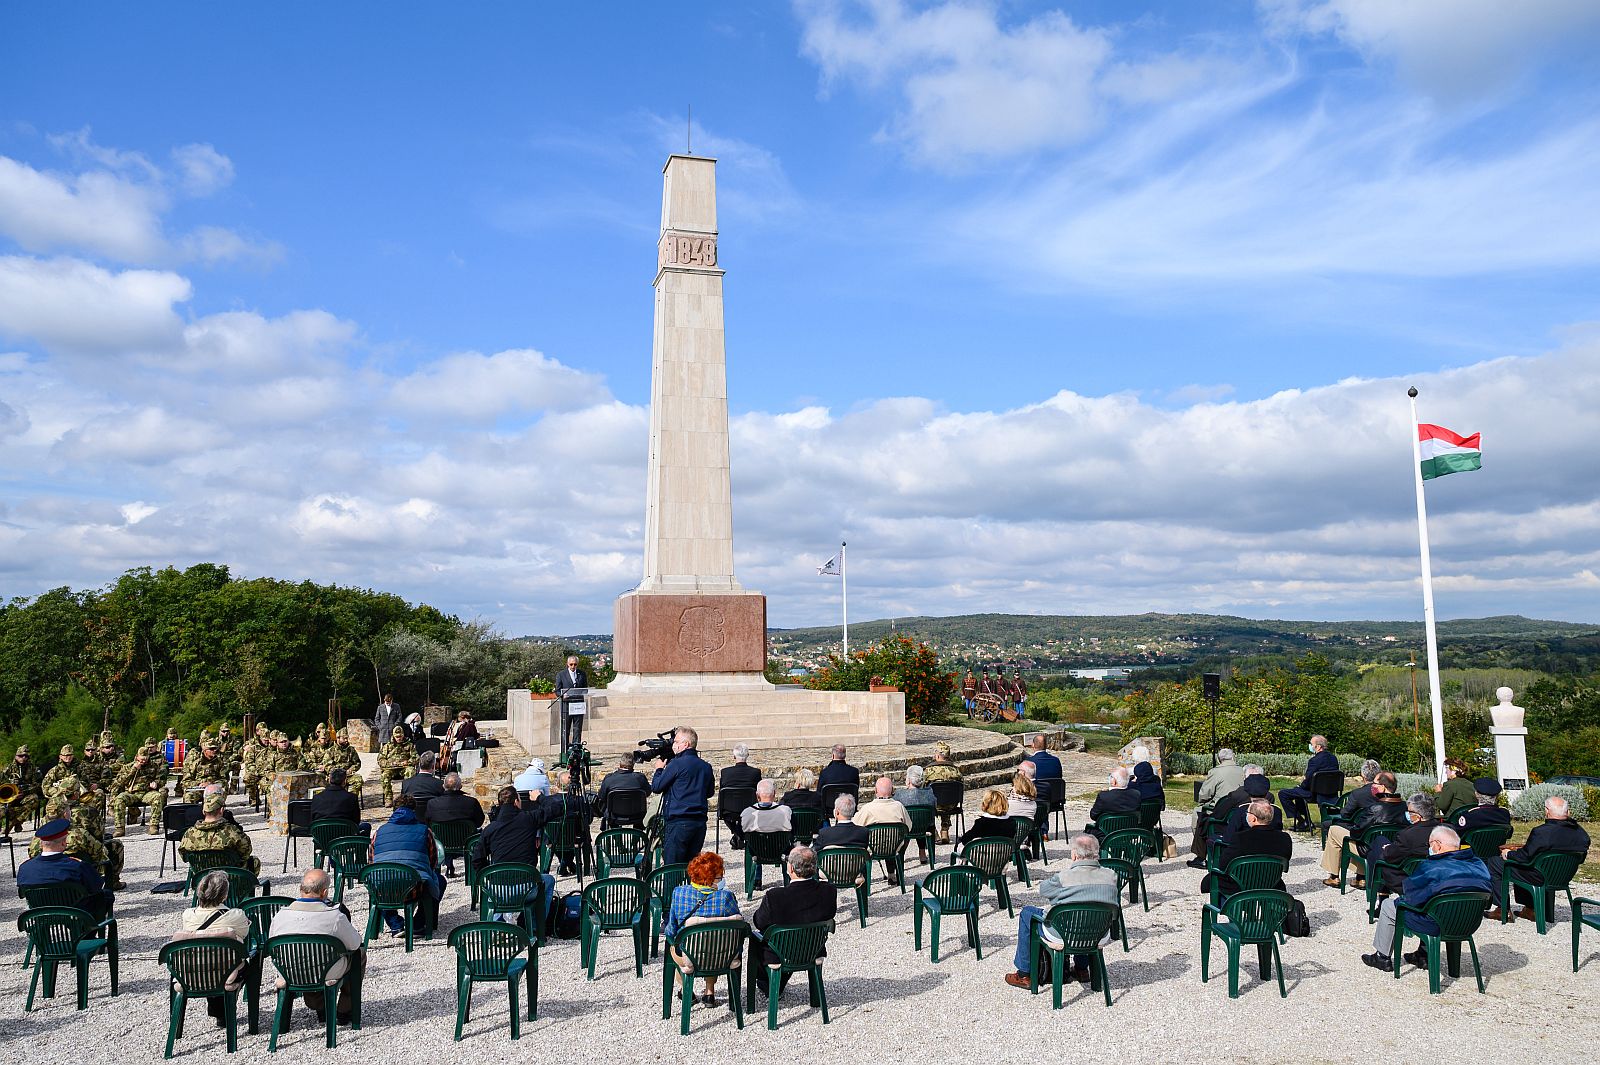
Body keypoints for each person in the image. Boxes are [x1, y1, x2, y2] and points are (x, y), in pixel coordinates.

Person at [1363, 825, 1491, 971]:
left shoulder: (1433, 868)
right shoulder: (1479, 865)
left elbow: (1412, 897)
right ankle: (1423, 954)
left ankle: (1382, 957)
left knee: (1389, 905)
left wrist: (1399, 901)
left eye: (1429, 845)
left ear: (1437, 845)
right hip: (1469, 924)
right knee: (1434, 906)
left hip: (1437, 924)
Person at [1003, 833, 1121, 989]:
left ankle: (1024, 973)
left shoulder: (1064, 877)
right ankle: (1081, 968)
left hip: (1063, 933)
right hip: (1098, 933)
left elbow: (1044, 890)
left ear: (1074, 854)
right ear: (1097, 852)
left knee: (1027, 914)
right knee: (1087, 915)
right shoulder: (1111, 876)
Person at [270, 868, 365, 1026]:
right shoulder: (335, 916)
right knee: (359, 954)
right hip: (326, 972)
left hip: (289, 972)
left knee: (305, 957)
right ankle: (345, 1010)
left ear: (301, 890)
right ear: (325, 893)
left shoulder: (280, 916)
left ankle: (320, 1007)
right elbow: (355, 944)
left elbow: (273, 947)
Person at [1485, 794, 1591, 923]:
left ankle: (1502, 909)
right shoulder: (1581, 833)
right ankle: (1531, 909)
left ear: (1546, 811)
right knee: (1526, 866)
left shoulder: (1542, 832)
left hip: (1540, 876)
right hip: (1564, 876)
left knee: (1496, 862)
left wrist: (1508, 854)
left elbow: (1524, 857)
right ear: (1568, 812)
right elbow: (1581, 858)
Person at [169, 869, 251, 1025]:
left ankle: (218, 1010)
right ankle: (226, 1008)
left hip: (193, 974)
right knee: (240, 962)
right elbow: (245, 934)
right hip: (226, 973)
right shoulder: (236, 915)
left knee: (207, 958)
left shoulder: (187, 915)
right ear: (225, 895)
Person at [749, 845, 837, 990]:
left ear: (790, 869)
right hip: (813, 948)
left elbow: (759, 922)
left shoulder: (775, 897)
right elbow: (830, 914)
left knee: (757, 939)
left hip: (780, 952)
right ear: (814, 868)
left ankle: (768, 983)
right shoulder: (829, 891)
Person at [663, 851, 742, 1007]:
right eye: (719, 877)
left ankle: (685, 989)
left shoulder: (679, 893)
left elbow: (671, 929)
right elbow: (738, 925)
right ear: (710, 880)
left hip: (690, 956)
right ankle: (709, 992)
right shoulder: (726, 898)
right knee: (715, 942)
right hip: (722, 956)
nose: (722, 881)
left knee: (675, 946)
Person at [474, 786, 557, 931]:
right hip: (525, 887)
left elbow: (477, 859)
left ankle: (497, 926)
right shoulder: (529, 818)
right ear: (516, 802)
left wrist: (489, 874)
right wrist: (539, 798)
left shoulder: (490, 829)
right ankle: (535, 927)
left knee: (496, 889)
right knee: (549, 880)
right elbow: (555, 808)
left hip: (498, 889)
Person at [370, 794, 445, 936]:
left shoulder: (378, 832)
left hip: (383, 890)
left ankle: (395, 924)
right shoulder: (424, 831)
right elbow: (432, 862)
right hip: (413, 887)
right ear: (414, 810)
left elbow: (372, 862)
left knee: (379, 879)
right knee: (438, 881)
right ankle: (417, 924)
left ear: (394, 810)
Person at [1320, 771, 1408, 886]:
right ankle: (1360, 878)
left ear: (1382, 787)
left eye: (1375, 784)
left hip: (1369, 849)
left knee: (1334, 830)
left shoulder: (1375, 809)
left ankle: (1334, 876)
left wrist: (1347, 826)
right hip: (1392, 847)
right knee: (1362, 837)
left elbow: (1357, 833)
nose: (1372, 786)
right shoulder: (1405, 806)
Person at [18, 817, 114, 920]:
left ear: (41, 844)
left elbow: (22, 893)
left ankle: (42, 933)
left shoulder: (24, 869)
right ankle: (88, 934)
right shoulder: (77, 866)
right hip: (76, 914)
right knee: (106, 895)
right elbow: (96, 886)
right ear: (64, 843)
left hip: (41, 914)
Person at [651, 726, 714, 865]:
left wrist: (659, 770)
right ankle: (689, 887)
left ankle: (672, 887)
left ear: (686, 744)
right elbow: (710, 792)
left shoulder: (676, 764)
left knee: (672, 866)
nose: (674, 745)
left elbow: (656, 787)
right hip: (699, 823)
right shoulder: (706, 766)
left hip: (679, 821)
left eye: (676, 742)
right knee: (693, 867)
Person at [1203, 800, 1292, 898]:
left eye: (1247, 813)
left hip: (1241, 886)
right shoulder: (1285, 839)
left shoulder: (1240, 838)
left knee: (1213, 880)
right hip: (1271, 884)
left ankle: (1227, 909)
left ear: (1253, 818)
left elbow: (1223, 864)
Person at [1372, 793, 1443, 895]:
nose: (1408, 814)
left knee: (1381, 851)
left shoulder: (1407, 835)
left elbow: (1391, 856)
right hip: (1437, 875)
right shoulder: (1446, 831)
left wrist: (1388, 848)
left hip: (1410, 878)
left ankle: (1380, 895)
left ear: (1418, 816)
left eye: (1410, 812)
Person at [1188, 748, 1247, 865]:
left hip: (1221, 809)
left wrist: (1202, 800)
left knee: (1198, 814)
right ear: (1233, 757)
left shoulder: (1215, 772)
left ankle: (1201, 855)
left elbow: (1204, 794)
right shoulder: (1243, 770)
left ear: (1219, 759)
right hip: (1241, 807)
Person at [181, 793, 259, 874]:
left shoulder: (189, 834)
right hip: (230, 878)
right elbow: (245, 853)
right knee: (254, 861)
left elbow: (184, 857)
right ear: (221, 810)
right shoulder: (232, 832)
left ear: (203, 811)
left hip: (202, 879)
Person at [1278, 735, 1338, 832]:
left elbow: (1308, 780)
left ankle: (1302, 821)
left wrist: (1301, 786)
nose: (1310, 746)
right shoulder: (1333, 758)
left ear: (1318, 747)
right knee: (1298, 792)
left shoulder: (1314, 761)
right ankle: (1306, 821)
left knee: (1283, 794)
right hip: (1332, 793)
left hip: (1315, 794)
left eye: (1311, 744)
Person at [109, 745, 166, 837]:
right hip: (132, 794)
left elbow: (161, 779)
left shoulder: (154, 766)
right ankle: (119, 828)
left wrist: (156, 783)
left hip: (147, 793)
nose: (143, 761)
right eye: (141, 759)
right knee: (119, 799)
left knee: (158, 796)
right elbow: (119, 782)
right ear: (137, 757)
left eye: (145, 759)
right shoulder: (128, 767)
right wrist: (133, 770)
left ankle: (154, 825)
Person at [719, 743, 763, 849]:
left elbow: (721, 790)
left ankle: (737, 835)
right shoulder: (755, 773)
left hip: (728, 810)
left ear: (734, 757)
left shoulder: (725, 772)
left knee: (726, 812)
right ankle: (740, 835)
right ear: (747, 755)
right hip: (750, 810)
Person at [924, 742, 964, 843]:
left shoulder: (929, 770)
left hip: (934, 806)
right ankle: (945, 830)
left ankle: (934, 832)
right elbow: (961, 785)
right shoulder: (956, 771)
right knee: (947, 797)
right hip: (952, 805)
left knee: (928, 799)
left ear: (937, 755)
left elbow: (922, 787)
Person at [309, 767, 369, 835]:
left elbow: (313, 820)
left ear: (329, 780)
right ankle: (360, 846)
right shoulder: (352, 797)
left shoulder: (317, 797)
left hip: (322, 838)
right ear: (344, 782)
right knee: (366, 826)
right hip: (345, 837)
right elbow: (356, 821)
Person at [595, 753, 650, 825]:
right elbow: (648, 792)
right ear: (633, 765)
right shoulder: (640, 778)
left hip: (614, 817)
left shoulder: (609, 778)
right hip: (637, 816)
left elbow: (601, 796)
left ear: (620, 764)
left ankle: (612, 831)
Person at [1086, 766, 1140, 836]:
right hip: (1129, 834)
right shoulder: (1136, 794)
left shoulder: (1104, 796)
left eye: (1111, 777)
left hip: (1106, 834)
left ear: (1114, 781)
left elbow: (1093, 815)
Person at [3, 745, 43, 833]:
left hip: (26, 795)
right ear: (16, 756)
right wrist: (12, 794)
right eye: (20, 756)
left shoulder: (33, 768)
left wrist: (25, 791)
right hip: (11, 795)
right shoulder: (8, 768)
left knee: (34, 799)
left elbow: (38, 785)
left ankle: (13, 822)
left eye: (26, 756)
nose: (23, 758)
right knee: (3, 808)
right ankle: (16, 822)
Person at [377, 726, 417, 806]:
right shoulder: (387, 746)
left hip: (404, 768)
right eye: (397, 737)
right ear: (394, 736)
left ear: (403, 735)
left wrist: (408, 762)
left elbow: (415, 758)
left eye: (400, 736)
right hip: (391, 769)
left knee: (411, 771)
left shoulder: (409, 745)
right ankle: (388, 798)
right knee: (385, 775)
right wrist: (391, 763)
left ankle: (407, 797)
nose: (399, 738)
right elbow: (380, 760)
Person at [554, 655, 588, 751]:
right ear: (567, 664)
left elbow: (585, 689)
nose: (573, 666)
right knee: (566, 729)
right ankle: (564, 750)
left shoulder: (582, 674)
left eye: (575, 664)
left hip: (578, 705)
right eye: (571, 664)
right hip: (567, 705)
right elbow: (557, 691)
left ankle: (576, 749)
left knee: (577, 729)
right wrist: (562, 695)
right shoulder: (561, 675)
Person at [400, 751, 445, 817]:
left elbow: (402, 804)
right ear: (433, 766)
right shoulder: (440, 784)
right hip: (433, 820)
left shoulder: (406, 783)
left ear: (419, 765)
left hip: (412, 819)